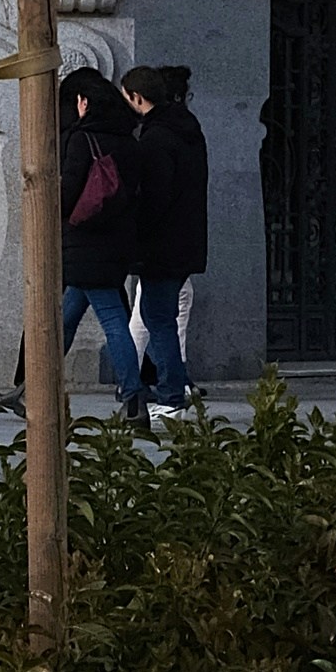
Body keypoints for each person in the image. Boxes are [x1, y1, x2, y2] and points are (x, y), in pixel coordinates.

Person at [123, 62, 215, 422]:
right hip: (187, 239)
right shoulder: (189, 131)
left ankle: (173, 395)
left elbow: (153, 197)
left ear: (137, 97)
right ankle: (175, 389)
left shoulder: (156, 137)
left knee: (157, 316)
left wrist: (137, 238)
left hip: (163, 244)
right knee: (159, 315)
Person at [54, 68, 145, 407]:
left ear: (84, 102)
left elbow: (69, 192)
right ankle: (31, 387)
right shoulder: (129, 141)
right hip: (116, 242)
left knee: (112, 318)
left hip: (84, 243)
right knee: (64, 317)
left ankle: (133, 393)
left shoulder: (83, 139)